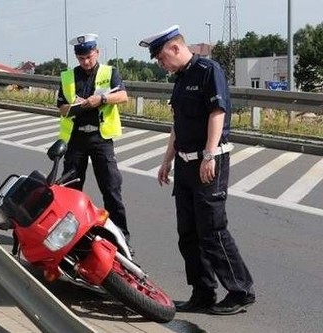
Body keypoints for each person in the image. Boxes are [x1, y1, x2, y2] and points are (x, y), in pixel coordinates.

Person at [139, 25, 255, 315]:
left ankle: (240, 291)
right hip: (184, 162)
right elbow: (177, 123)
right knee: (188, 233)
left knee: (212, 229)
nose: (160, 63)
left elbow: (218, 112)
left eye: (161, 57)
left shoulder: (208, 70)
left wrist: (209, 154)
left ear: (175, 48)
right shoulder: (179, 79)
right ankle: (202, 292)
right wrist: (167, 160)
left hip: (208, 161)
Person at [56, 33, 131, 244]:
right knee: (71, 189)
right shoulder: (68, 77)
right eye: (81, 58)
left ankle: (121, 238)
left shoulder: (109, 72)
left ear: (97, 52)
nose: (86, 62)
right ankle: (71, 238)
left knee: (111, 189)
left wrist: (102, 99)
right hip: (76, 139)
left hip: (101, 139)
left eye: (89, 56)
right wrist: (77, 106)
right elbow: (62, 108)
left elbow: (123, 96)